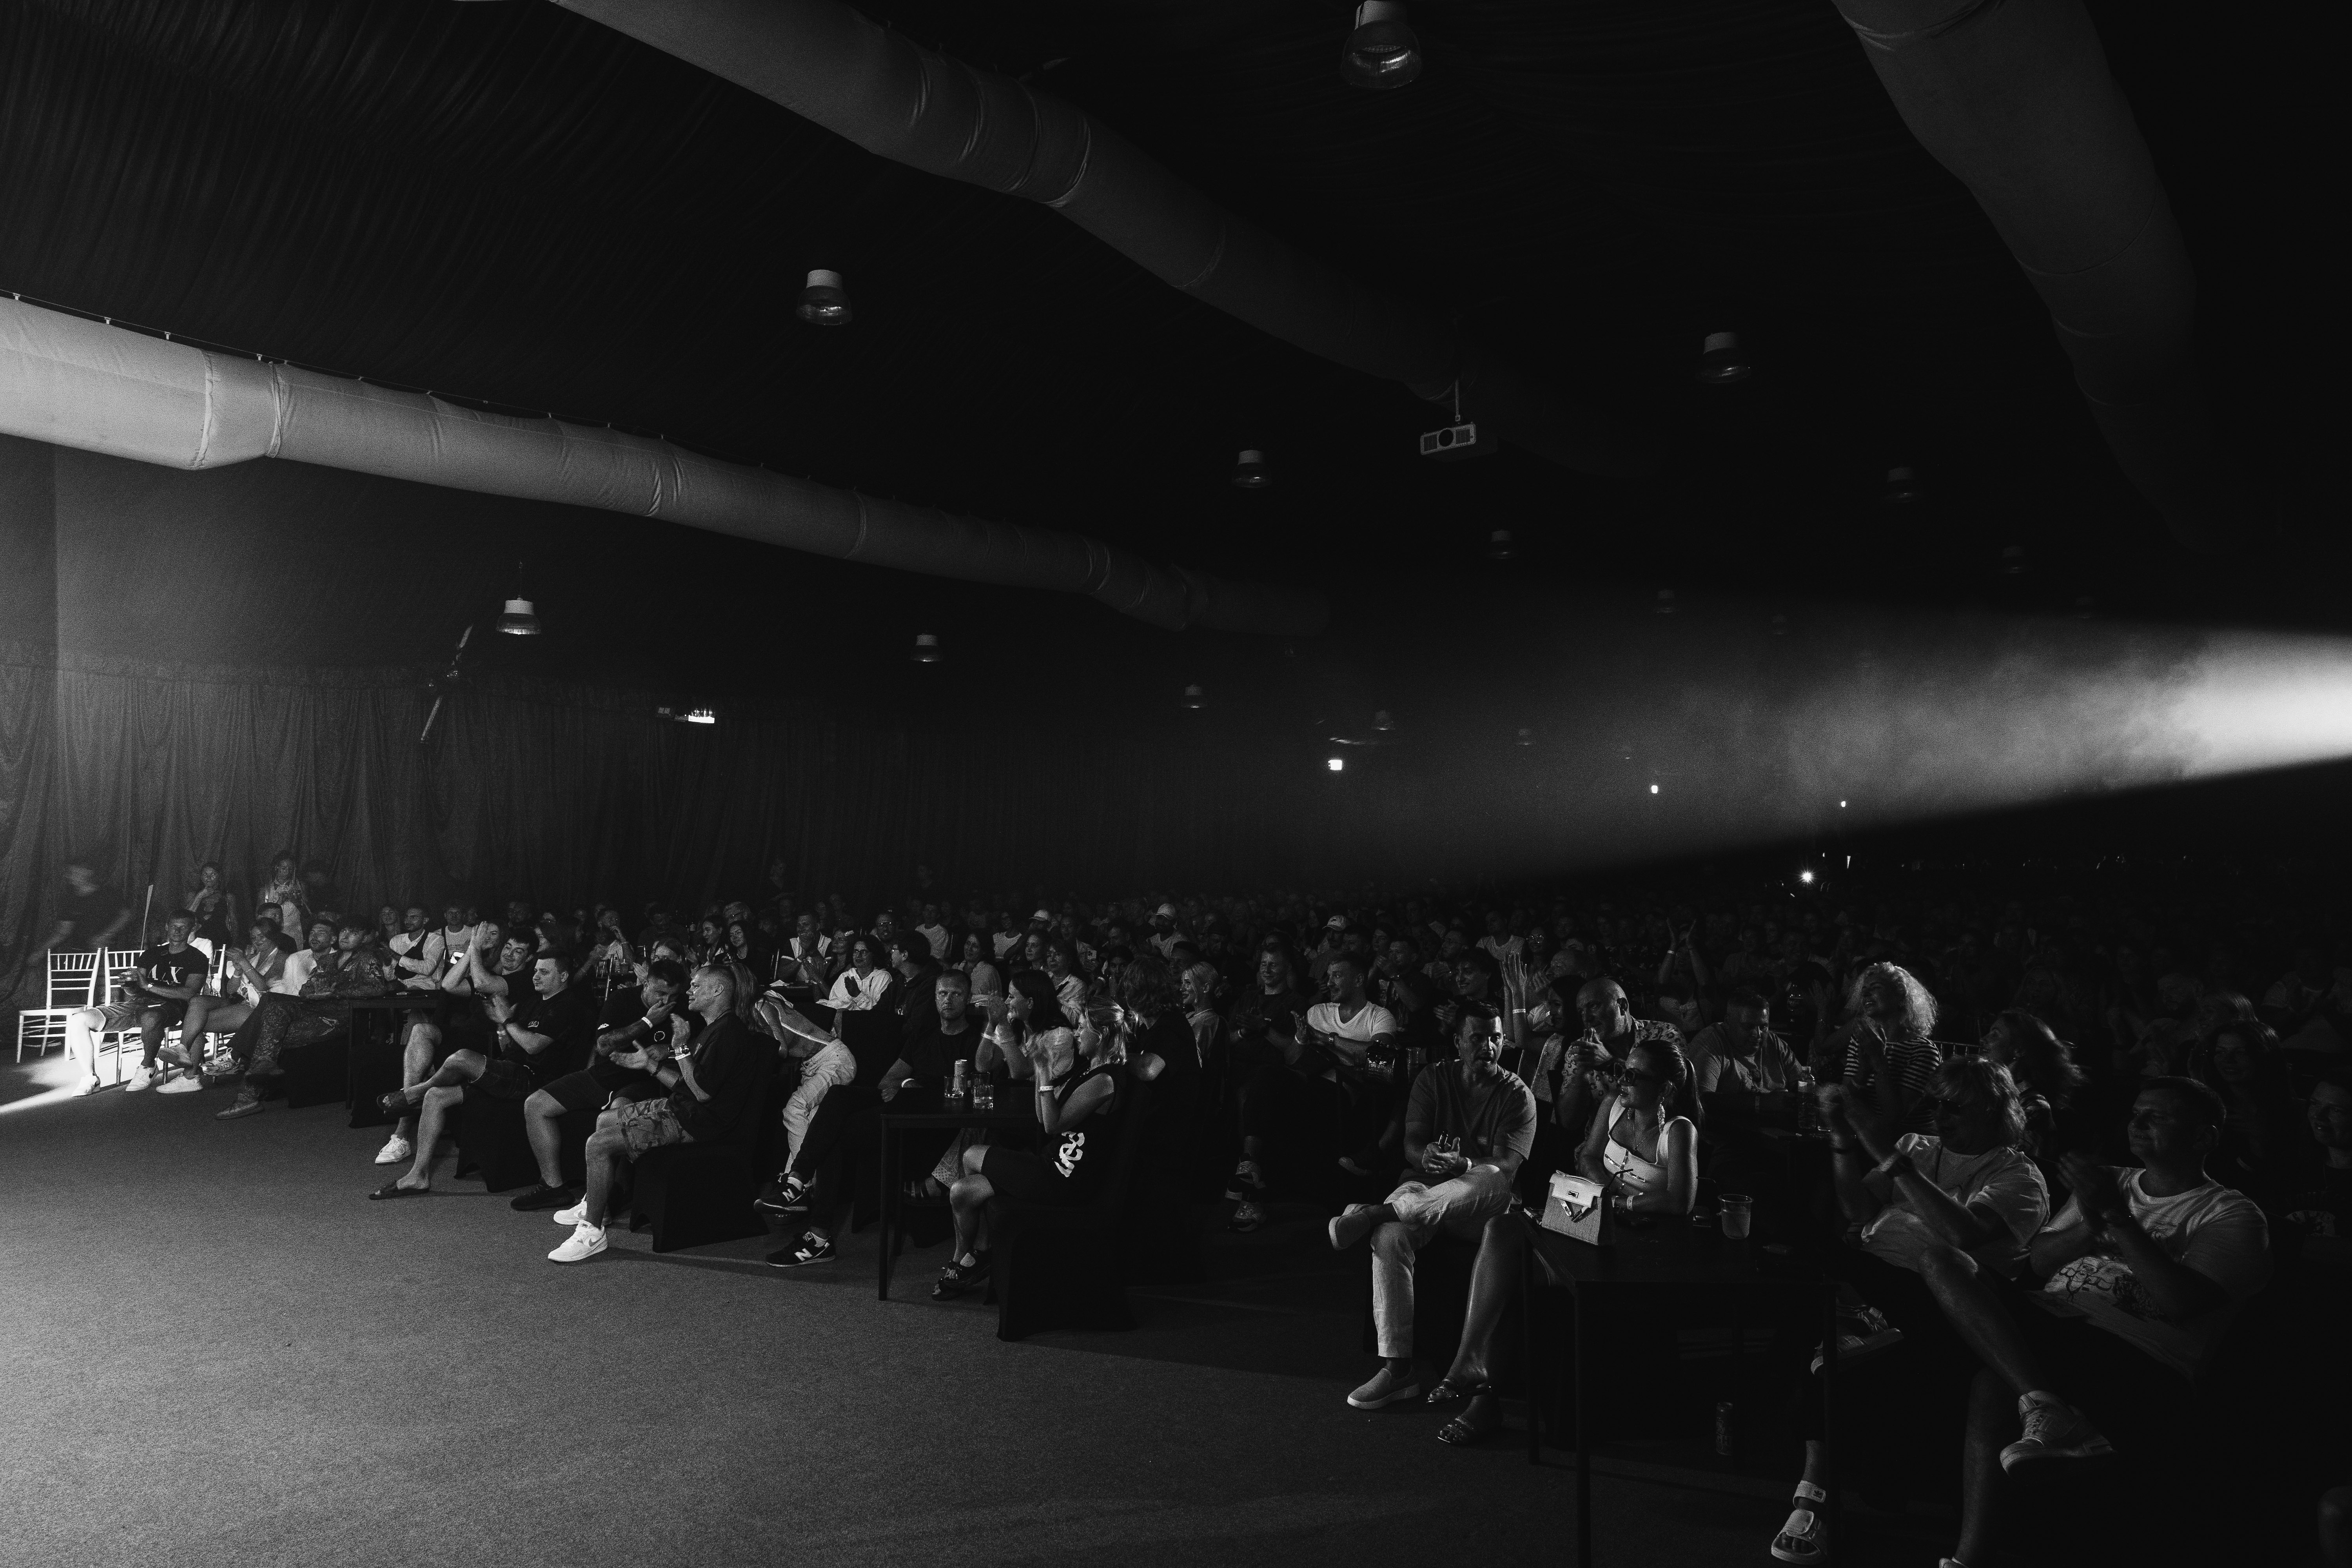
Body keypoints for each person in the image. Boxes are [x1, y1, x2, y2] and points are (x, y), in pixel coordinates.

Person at [1911, 1077, 2269, 1568]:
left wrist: (2118, 1218)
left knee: (1991, 1385)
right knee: (1943, 1261)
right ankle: (2041, 1405)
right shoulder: (2109, 1179)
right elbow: (2040, 1262)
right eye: (2136, 1113)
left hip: (2137, 1353)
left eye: (2157, 1116)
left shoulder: (2232, 1212)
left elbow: (2181, 1303)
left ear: (2203, 1137)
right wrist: (2092, 1224)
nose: (2138, 1124)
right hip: (2057, 1319)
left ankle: (1970, 1558)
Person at [1768, 1061, 2049, 1565]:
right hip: (1874, 1273)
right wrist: (1842, 1141)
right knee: (1792, 1247)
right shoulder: (1918, 1145)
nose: (1941, 1115)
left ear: (1993, 1110)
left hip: (1943, 1301)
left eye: (1955, 1106)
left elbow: (1962, 1233)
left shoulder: (2018, 1174)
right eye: (1936, 1103)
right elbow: (1858, 1209)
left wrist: (1892, 1159)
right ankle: (1855, 1329)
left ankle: (1812, 1501)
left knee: (1824, 1300)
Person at [1327, 1001, 1535, 1414]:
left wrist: (1464, 1165)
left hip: (1477, 1205)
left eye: (1496, 1038)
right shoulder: (1433, 1078)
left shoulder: (1517, 1095)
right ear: (1457, 1041)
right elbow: (1411, 1144)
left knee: (1493, 1177)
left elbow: (1508, 1167)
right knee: (1390, 1238)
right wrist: (1426, 1156)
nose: (1489, 1046)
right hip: (1425, 1191)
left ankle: (1375, 1212)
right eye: (1478, 1038)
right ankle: (1398, 1370)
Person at [549, 962, 769, 1263]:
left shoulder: (729, 1034)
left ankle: (592, 1233)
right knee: (605, 1120)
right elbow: (688, 1084)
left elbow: (702, 1093)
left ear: (718, 990)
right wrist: (649, 1065)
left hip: (698, 1124)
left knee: (597, 1145)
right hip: (684, 1108)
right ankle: (598, 1205)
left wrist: (680, 1047)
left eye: (696, 986)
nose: (689, 992)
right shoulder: (714, 1028)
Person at [929, 978, 1128, 1299]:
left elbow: (1051, 1125)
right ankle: (972, 1256)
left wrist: (1043, 1071)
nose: (1077, 1033)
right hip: (1050, 1164)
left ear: (1102, 1034)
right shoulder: (1091, 1070)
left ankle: (972, 1257)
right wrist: (1039, 1067)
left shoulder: (1104, 1080)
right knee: (962, 1192)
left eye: (1083, 1028)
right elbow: (1041, 1114)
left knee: (971, 1155)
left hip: (1063, 1179)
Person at [368, 949, 593, 1193]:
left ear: (563, 977)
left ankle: (414, 1093)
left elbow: (533, 1045)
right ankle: (418, 1175)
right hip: (512, 1071)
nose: (536, 976)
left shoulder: (568, 1005)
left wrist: (507, 1021)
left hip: (536, 1080)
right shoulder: (533, 1002)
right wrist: (502, 1027)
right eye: (536, 971)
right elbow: (510, 1047)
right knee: (436, 1097)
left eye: (544, 972)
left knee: (461, 1058)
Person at [505, 959, 697, 1212]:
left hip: (644, 1080)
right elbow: (604, 1046)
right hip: (604, 1074)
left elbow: (697, 1048)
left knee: (617, 1116)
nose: (666, 1002)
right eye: (660, 993)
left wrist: (668, 1051)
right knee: (536, 1104)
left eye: (673, 996)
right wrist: (647, 1022)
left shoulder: (684, 1007)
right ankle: (553, 1187)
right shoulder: (622, 999)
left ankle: (612, 1194)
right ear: (646, 983)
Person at [214, 916, 395, 1119]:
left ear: (364, 938)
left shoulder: (367, 958)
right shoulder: (329, 960)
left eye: (353, 933)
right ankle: (257, 1074)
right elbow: (306, 990)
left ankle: (244, 1088)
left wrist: (335, 992)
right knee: (273, 1005)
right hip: (314, 1009)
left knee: (269, 1036)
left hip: (338, 1018)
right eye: (344, 931)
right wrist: (316, 992)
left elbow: (376, 988)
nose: (346, 936)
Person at [62, 910, 211, 1096]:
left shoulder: (197, 958)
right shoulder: (152, 954)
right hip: (139, 1004)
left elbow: (189, 994)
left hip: (174, 1006)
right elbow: (136, 991)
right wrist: (129, 985)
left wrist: (148, 986)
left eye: (183, 927)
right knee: (79, 1020)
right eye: (174, 926)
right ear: (167, 927)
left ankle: (148, 1066)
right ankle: (90, 1077)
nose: (177, 931)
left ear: (192, 929)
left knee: (150, 1017)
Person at [1552, 977, 1684, 1146]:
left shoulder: (1664, 1035)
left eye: (1594, 1006)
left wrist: (1610, 1063)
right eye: (1581, 1012)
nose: (1587, 1018)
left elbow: (1679, 1098)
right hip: (1601, 1148)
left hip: (1660, 1143)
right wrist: (1581, 1075)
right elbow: (1569, 1123)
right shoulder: (1581, 1051)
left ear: (1622, 1006)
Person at [1826, 962, 1943, 1135]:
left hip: (1907, 1143)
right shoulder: (1861, 1041)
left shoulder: (1923, 1050)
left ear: (1901, 997)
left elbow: (1894, 1116)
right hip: (1868, 1137)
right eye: (1864, 989)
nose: (1865, 993)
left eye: (1876, 987)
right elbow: (1846, 1102)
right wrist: (1863, 1072)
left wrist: (1879, 1062)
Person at [1688, 987, 1802, 1094]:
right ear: (1728, 1022)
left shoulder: (1775, 1043)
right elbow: (1704, 1100)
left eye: (1763, 1027)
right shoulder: (1711, 1043)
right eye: (1749, 1027)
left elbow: (1803, 1084)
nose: (1758, 1035)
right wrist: (1764, 1103)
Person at [823, 933, 893, 1012]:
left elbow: (879, 1010)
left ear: (874, 954)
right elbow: (833, 1005)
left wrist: (858, 994)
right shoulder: (846, 976)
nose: (858, 956)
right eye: (856, 951)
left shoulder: (883, 978)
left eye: (863, 952)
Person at [184, 862, 240, 951]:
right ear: (201, 877)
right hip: (197, 942)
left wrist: (234, 945)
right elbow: (185, 917)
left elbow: (233, 923)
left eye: (213, 874)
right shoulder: (194, 895)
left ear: (219, 877)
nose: (209, 878)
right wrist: (200, 896)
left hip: (221, 940)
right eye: (205, 874)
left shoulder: (227, 897)